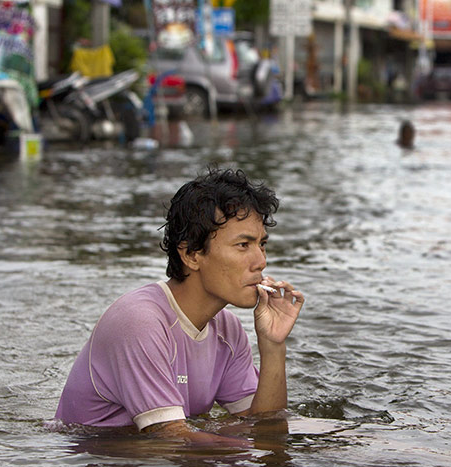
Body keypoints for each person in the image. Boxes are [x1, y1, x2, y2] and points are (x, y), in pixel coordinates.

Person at [55, 168, 305, 446]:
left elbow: (263, 426)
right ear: (191, 254)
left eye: (262, 244)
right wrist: (266, 450)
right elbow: (170, 442)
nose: (261, 261)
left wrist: (273, 345)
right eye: (243, 244)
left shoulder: (228, 331)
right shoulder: (139, 322)